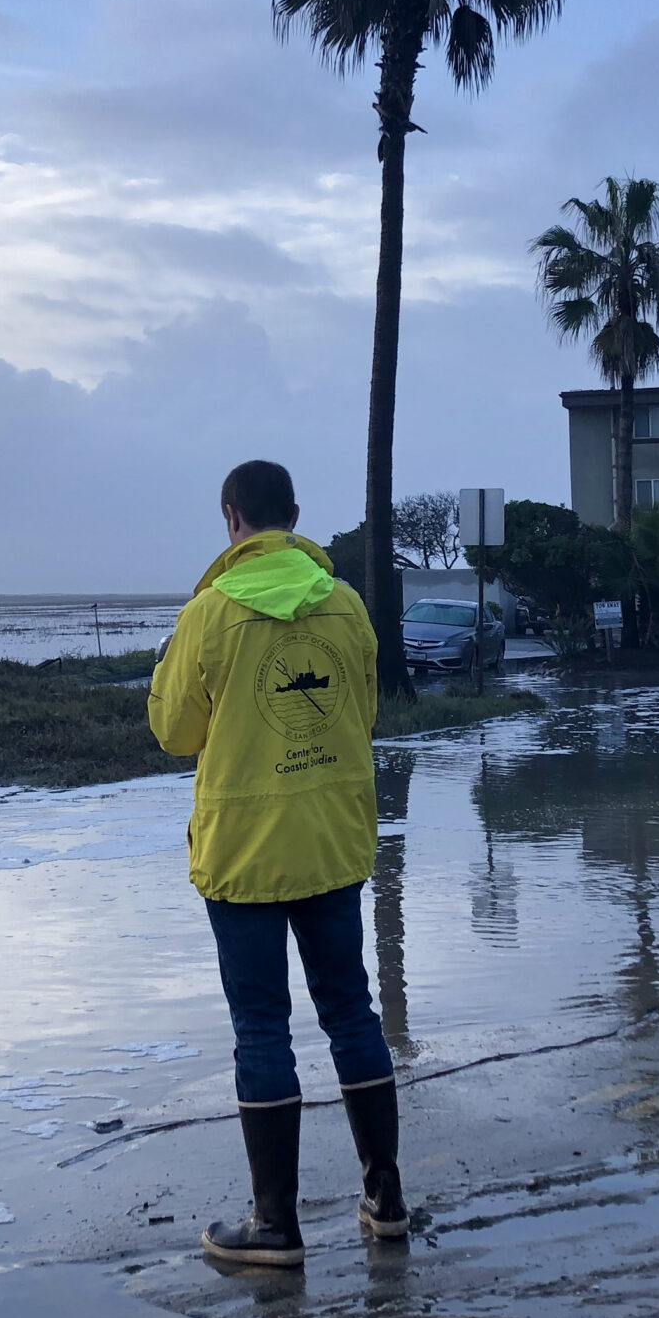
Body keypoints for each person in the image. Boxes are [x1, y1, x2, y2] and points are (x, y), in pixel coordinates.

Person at [148, 458, 406, 1267]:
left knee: (261, 1028)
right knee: (351, 1012)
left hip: (243, 852)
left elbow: (174, 733)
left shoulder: (209, 614)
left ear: (231, 519)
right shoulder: (346, 605)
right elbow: (361, 711)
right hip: (331, 836)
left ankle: (275, 1225)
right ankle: (385, 1197)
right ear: (292, 516)